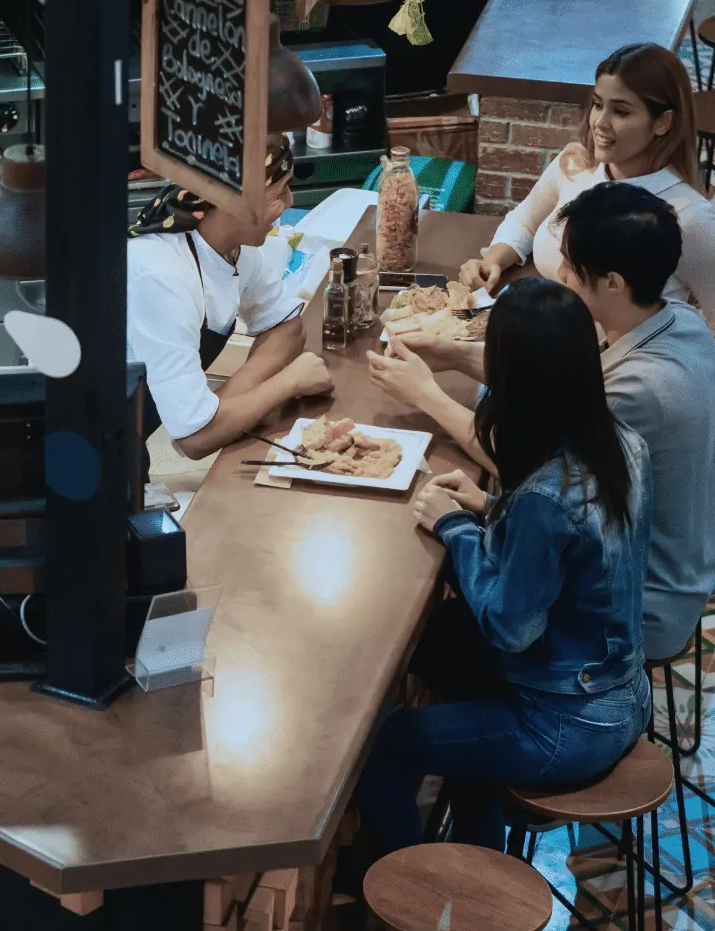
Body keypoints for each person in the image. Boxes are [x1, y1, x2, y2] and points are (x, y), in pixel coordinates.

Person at [355, 278, 652, 861]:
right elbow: (578, 550)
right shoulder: (621, 443)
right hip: (623, 694)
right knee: (445, 645)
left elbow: (510, 626)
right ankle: (477, 848)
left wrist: (456, 526)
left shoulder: (545, 494)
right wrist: (492, 507)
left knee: (391, 742)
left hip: (567, 724)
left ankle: (403, 887)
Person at [373, 182, 715, 661]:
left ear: (613, 283)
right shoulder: (677, 318)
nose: (562, 276)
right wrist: (450, 354)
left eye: (571, 265)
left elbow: (518, 461)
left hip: (637, 607)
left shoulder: (638, 390)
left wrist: (425, 394)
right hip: (655, 567)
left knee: (432, 631)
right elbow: (559, 377)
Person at [460, 43, 714, 321]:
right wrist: (492, 260)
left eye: (621, 112)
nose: (600, 123)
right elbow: (525, 222)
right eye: (597, 104)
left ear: (663, 122)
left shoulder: (691, 217)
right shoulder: (574, 165)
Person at [125, 138, 334, 460]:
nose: (290, 201)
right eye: (281, 191)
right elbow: (194, 440)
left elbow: (286, 329)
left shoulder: (236, 249)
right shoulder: (162, 275)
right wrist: (288, 383)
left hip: (126, 439)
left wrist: (221, 407)